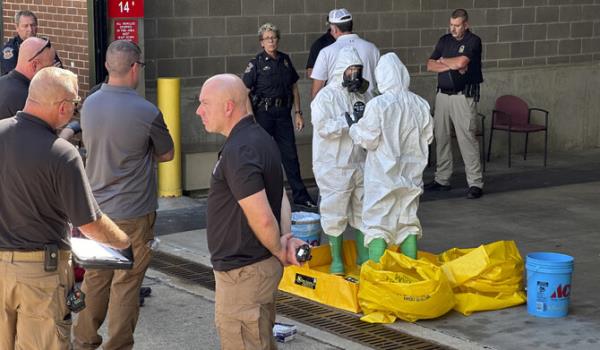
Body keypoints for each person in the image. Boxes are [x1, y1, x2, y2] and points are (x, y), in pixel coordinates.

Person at [0, 66, 131, 350]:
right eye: (74, 104)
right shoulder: (62, 153)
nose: (75, 110)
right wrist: (123, 241)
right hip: (40, 274)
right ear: (62, 107)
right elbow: (89, 223)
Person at [73, 40, 174, 350]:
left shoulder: (89, 104)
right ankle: (117, 346)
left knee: (95, 278)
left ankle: (84, 340)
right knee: (127, 284)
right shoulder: (147, 111)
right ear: (134, 68)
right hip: (133, 213)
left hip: (96, 211)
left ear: (106, 66)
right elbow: (167, 154)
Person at [197, 73, 304, 349]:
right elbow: (279, 197)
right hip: (254, 269)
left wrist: (281, 248)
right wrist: (285, 238)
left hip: (244, 275)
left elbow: (263, 216)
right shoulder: (259, 138)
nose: (199, 111)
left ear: (228, 107)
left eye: (205, 103)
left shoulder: (241, 149)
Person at [348, 53, 433, 262]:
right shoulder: (421, 104)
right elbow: (428, 137)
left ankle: (379, 279)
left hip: (382, 177)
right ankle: (410, 272)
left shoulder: (378, 105)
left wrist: (354, 127)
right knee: (408, 222)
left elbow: (369, 140)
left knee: (378, 225)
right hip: (411, 176)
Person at [310, 46, 372, 274]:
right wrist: (347, 122)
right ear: (341, 70)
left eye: (358, 68)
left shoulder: (363, 95)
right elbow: (323, 127)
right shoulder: (325, 97)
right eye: (351, 69)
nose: (355, 73)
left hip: (360, 162)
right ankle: (337, 259)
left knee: (363, 209)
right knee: (335, 211)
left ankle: (362, 256)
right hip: (333, 164)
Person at [242, 22, 317, 209]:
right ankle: (262, 196)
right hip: (263, 115)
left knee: (290, 156)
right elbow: (244, 91)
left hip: (283, 114)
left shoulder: (285, 60)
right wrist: (250, 117)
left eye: (274, 37)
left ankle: (300, 195)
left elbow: (294, 87)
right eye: (267, 38)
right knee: (263, 156)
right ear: (261, 42)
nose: (271, 41)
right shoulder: (256, 63)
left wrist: (298, 113)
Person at [425, 8, 484, 199]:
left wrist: (445, 61)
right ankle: (442, 179)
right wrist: (450, 63)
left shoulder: (473, 41)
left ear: (466, 25)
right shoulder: (444, 40)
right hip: (442, 95)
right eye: (451, 25)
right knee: (441, 137)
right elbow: (430, 65)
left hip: (463, 97)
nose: (453, 29)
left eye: (457, 26)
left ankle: (475, 183)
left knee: (467, 139)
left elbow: (462, 63)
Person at [310, 8, 380, 99]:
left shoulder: (326, 52)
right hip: (370, 108)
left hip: (339, 110)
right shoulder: (372, 49)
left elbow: (316, 93)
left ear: (334, 29)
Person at [0, 37, 56, 119]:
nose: (52, 72)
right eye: (49, 67)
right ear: (35, 65)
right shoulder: (31, 99)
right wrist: (68, 130)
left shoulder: (2, 82)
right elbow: (39, 131)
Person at [1, 10, 62, 75]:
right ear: (17, 27)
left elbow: (60, 70)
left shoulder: (44, 45)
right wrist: (46, 72)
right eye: (25, 26)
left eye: (33, 25)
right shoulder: (10, 49)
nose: (30, 29)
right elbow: (14, 78)